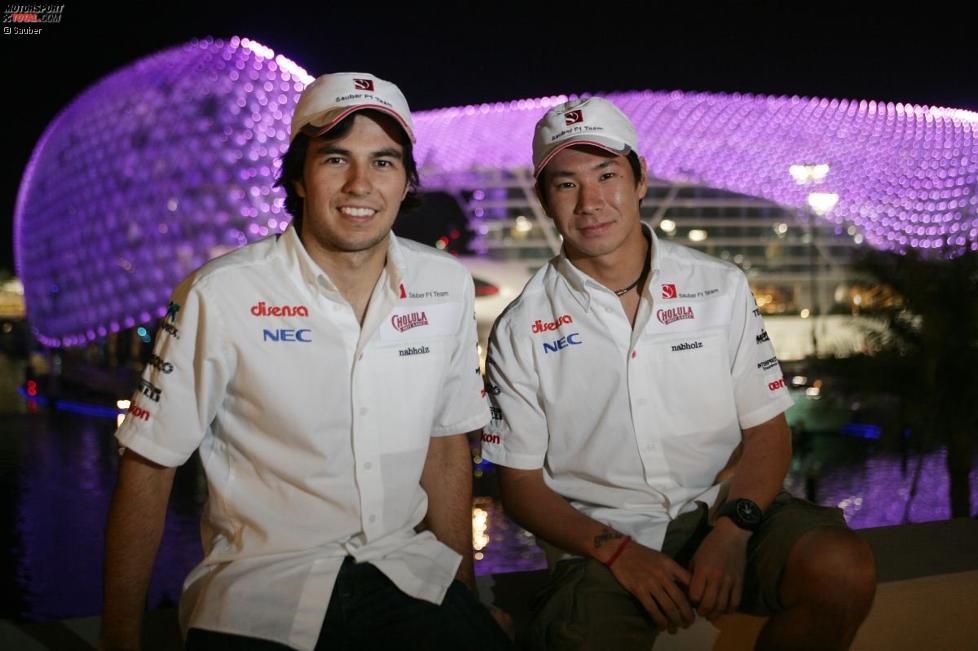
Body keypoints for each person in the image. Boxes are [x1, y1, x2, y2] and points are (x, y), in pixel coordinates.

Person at [101, 72, 512, 651]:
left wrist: (464, 602)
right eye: (336, 159)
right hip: (257, 594)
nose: (360, 185)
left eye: (384, 162)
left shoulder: (443, 285)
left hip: (405, 574)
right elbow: (150, 464)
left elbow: (445, 447)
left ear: (406, 180)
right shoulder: (220, 293)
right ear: (298, 174)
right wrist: (120, 640)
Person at [481, 96, 877, 650]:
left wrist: (735, 527)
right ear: (545, 198)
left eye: (606, 175)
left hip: (724, 504)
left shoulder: (720, 287)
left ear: (640, 178)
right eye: (566, 183)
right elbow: (519, 484)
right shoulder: (522, 327)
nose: (590, 201)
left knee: (842, 567)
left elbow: (767, 429)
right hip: (604, 538)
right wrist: (616, 551)